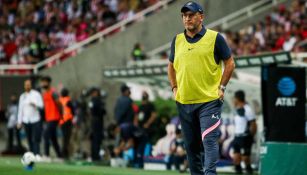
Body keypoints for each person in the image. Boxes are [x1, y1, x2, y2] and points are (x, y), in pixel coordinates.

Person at [167, 2, 235, 175]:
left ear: (201, 16)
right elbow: (170, 66)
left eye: (191, 15)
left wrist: (221, 87)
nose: (187, 18)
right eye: (184, 15)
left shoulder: (215, 38)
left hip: (209, 101)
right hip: (184, 102)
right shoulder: (177, 40)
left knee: (209, 140)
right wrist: (174, 88)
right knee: (191, 147)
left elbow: (230, 63)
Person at [17, 79, 44, 159]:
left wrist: (34, 104)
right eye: (26, 85)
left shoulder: (36, 94)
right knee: (29, 138)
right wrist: (19, 121)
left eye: (28, 85)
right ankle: (31, 155)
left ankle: (37, 154)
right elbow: (20, 110)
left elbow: (41, 106)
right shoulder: (22, 96)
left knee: (35, 138)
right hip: (26, 120)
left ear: (31, 85)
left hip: (35, 119)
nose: (27, 86)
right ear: (24, 86)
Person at [232, 90, 257, 174]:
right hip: (237, 136)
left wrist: (251, 136)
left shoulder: (247, 109)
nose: (233, 100)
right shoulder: (236, 109)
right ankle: (238, 170)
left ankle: (249, 169)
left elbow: (253, 124)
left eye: (234, 98)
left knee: (246, 158)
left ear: (237, 98)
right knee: (236, 158)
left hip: (245, 137)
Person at [40, 76, 62, 159]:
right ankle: (60, 156)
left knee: (46, 135)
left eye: (45, 82)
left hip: (54, 117)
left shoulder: (53, 92)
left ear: (49, 83)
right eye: (42, 82)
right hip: (48, 118)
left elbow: (59, 104)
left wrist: (60, 115)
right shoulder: (45, 94)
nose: (43, 84)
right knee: (53, 138)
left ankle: (46, 155)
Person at [88, 87, 106, 161]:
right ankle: (96, 156)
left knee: (94, 138)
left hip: (94, 121)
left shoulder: (92, 101)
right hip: (97, 121)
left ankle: (94, 155)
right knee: (97, 138)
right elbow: (102, 111)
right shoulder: (97, 100)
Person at [59, 88, 75, 159]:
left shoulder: (60, 100)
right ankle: (65, 154)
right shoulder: (68, 101)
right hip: (67, 121)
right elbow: (73, 110)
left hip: (61, 121)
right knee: (66, 138)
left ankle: (64, 153)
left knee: (64, 138)